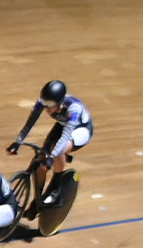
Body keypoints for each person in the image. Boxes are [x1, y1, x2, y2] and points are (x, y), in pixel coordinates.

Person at [7, 79, 93, 219]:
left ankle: (56, 187)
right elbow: (30, 123)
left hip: (80, 129)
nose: (46, 108)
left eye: (50, 105)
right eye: (44, 103)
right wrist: (18, 141)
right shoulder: (44, 102)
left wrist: (52, 157)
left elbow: (65, 136)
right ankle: (37, 201)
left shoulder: (74, 109)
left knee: (57, 149)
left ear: (59, 103)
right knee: (41, 161)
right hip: (63, 125)